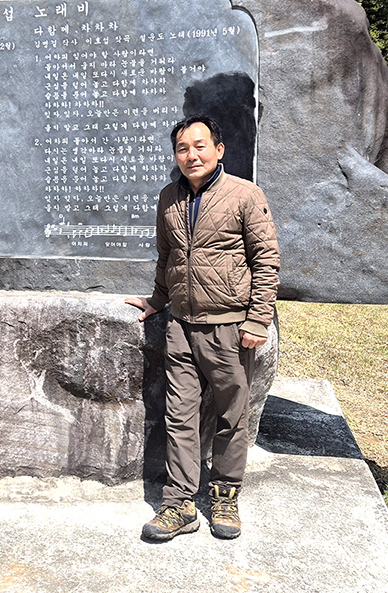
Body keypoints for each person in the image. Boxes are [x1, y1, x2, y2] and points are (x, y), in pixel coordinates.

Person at [126, 114, 279, 540]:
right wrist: (157, 301)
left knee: (231, 417)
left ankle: (225, 496)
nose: (191, 155)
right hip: (180, 326)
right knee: (180, 417)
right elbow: (168, 257)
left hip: (229, 327)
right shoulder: (168, 198)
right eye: (182, 148)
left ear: (218, 150)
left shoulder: (245, 195)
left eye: (199, 146)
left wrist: (258, 319)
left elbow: (266, 260)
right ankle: (179, 505)